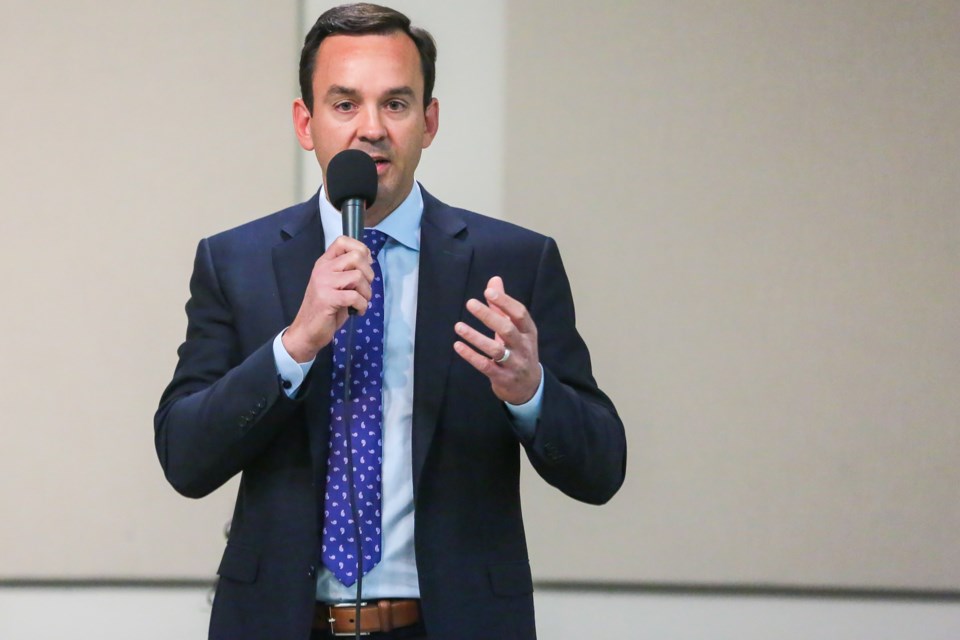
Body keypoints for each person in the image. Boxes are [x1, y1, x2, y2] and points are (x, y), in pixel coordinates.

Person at [155, 4, 626, 639]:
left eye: (396, 104)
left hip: (448, 623)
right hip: (282, 623)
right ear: (306, 121)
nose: (370, 129)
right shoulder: (235, 261)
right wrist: (293, 347)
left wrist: (531, 393)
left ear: (429, 122)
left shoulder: (512, 262)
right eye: (344, 104)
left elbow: (601, 470)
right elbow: (185, 458)